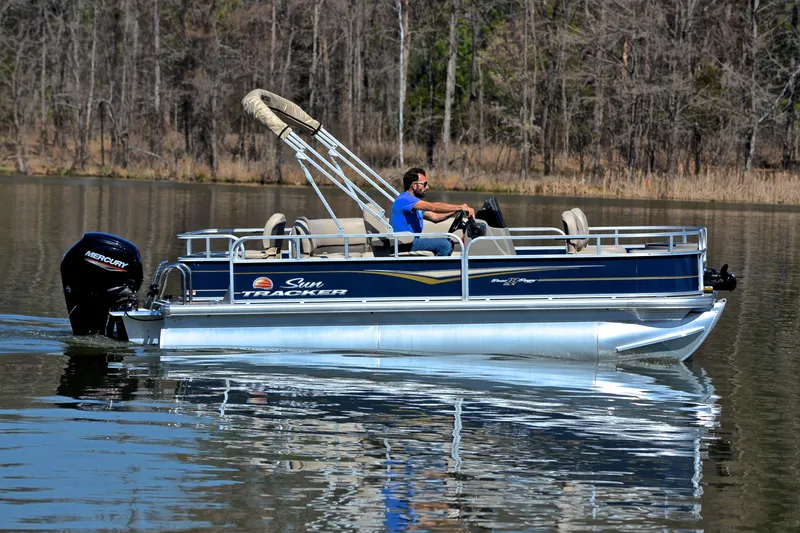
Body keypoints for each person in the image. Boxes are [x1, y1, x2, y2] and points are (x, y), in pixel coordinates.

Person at [389, 167, 475, 256]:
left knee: (447, 242)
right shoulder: (405, 199)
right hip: (404, 244)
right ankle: (437, 269)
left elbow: (435, 217)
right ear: (414, 185)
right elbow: (433, 207)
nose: (427, 187)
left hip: (411, 242)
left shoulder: (413, 203)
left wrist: (454, 212)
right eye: (424, 184)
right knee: (445, 245)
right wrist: (459, 207)